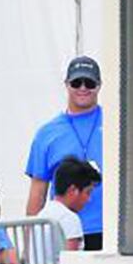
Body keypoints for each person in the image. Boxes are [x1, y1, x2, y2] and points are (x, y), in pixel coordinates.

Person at [25, 56, 104, 250]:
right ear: (67, 85)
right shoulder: (47, 133)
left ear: (99, 86)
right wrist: (29, 247)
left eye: (90, 83)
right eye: (77, 82)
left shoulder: (117, 123)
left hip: (109, 229)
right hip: (64, 232)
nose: (83, 88)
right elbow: (37, 193)